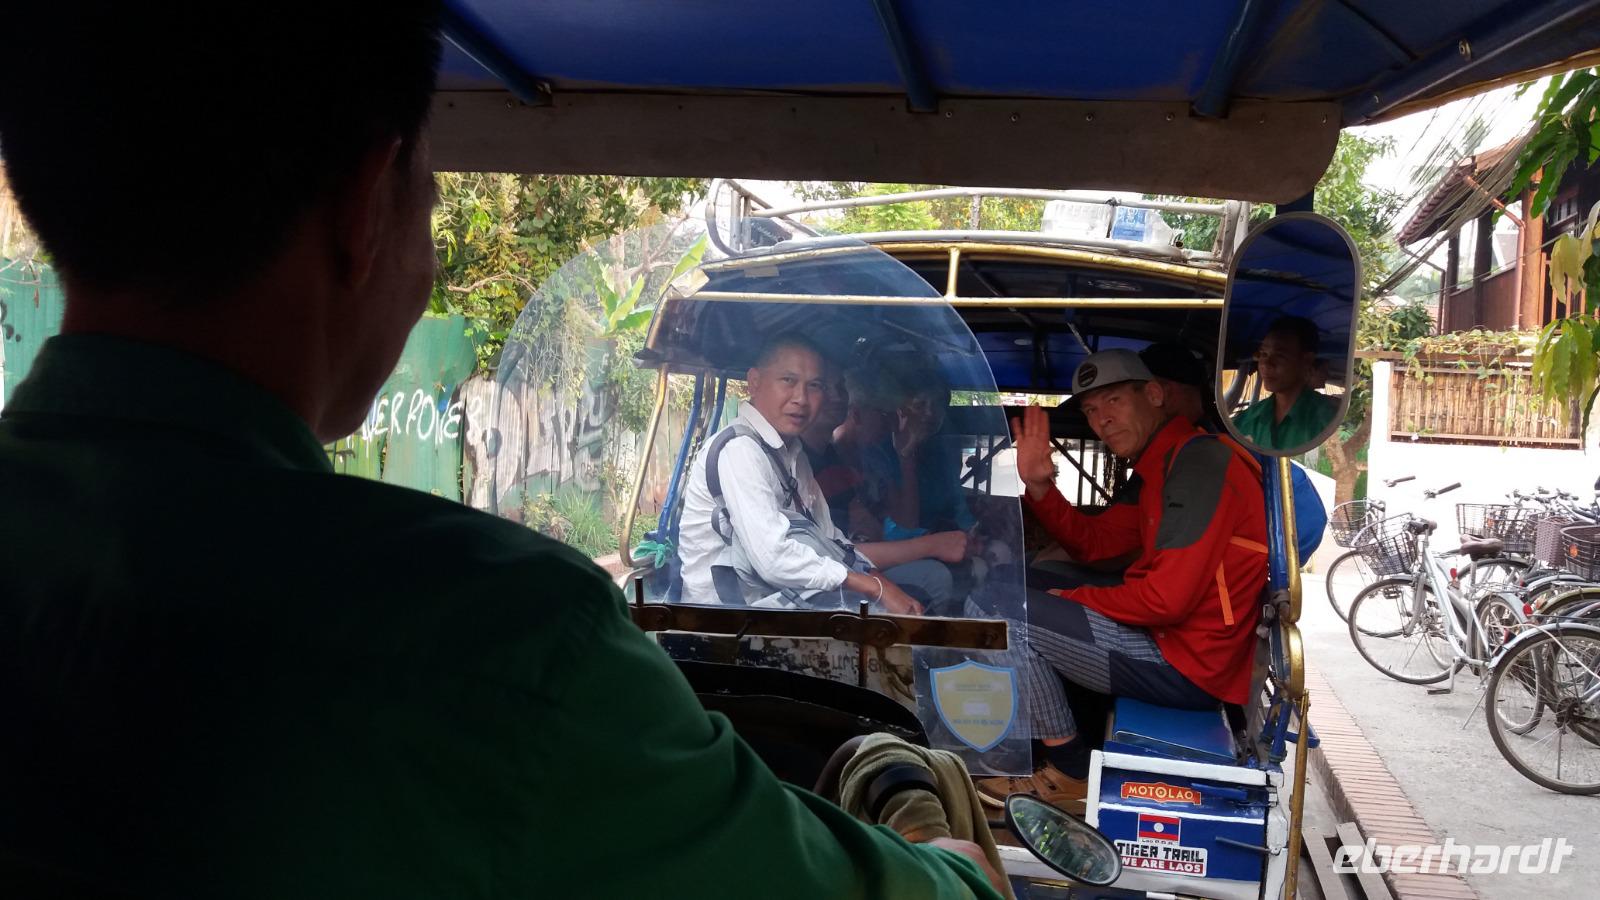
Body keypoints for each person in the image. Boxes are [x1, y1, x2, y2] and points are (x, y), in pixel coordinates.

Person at [0, 5, 1003, 898]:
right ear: (365, 209)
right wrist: (944, 862)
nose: (814, 399)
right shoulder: (503, 642)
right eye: (428, 208)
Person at [975, 350, 1268, 806]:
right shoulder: (1163, 466)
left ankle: (1069, 768)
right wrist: (1039, 487)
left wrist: (1071, 598)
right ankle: (1055, 729)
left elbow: (1166, 600)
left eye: (1112, 401)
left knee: (999, 608)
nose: (1101, 421)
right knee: (1020, 581)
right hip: (1174, 640)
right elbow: (1096, 545)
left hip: (1188, 662)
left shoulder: (1199, 464)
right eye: (1091, 411)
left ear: (1153, 394)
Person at [677, 335, 967, 613]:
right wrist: (873, 587)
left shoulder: (792, 456)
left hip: (780, 602)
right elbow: (773, 558)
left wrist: (880, 581)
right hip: (726, 619)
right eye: (788, 381)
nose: (801, 398)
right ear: (755, 382)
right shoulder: (740, 450)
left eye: (814, 385)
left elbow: (831, 541)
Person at [1231, 315, 1338, 450]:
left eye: (1280, 355)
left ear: (1306, 360)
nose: (1266, 364)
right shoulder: (1245, 420)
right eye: (1264, 354)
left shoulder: (1329, 420)